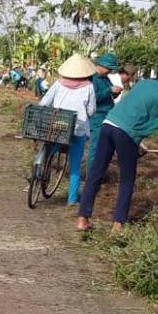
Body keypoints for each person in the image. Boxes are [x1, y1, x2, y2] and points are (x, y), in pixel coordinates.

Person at [76, 69, 158, 233]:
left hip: (108, 124)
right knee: (127, 180)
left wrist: (137, 141)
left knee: (96, 172)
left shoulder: (145, 83)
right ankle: (118, 224)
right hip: (125, 133)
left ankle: (83, 219)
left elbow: (134, 112)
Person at [38, 53, 99, 206]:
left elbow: (44, 102)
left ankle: (40, 169)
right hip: (78, 128)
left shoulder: (58, 83)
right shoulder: (89, 87)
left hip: (58, 126)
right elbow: (91, 110)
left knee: (49, 150)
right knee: (75, 165)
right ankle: (71, 199)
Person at [84, 51, 119, 180]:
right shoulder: (92, 79)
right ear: (101, 66)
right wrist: (109, 90)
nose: (109, 71)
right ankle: (91, 178)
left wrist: (114, 93)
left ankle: (98, 174)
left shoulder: (106, 79)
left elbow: (107, 94)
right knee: (96, 148)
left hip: (108, 116)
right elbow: (93, 98)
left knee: (105, 148)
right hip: (97, 117)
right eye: (109, 69)